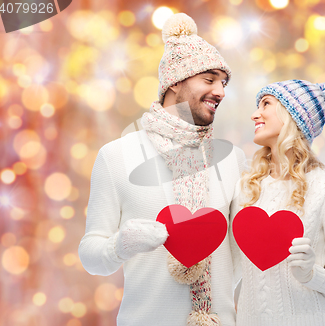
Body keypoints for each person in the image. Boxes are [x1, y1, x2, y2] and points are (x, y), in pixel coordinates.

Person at [78, 13, 245, 326]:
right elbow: (90, 256)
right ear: (175, 83)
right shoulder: (117, 155)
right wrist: (120, 245)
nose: (220, 91)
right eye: (209, 80)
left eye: (223, 83)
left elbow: (242, 258)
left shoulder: (233, 159)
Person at [231, 79, 325, 326]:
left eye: (266, 104)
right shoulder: (245, 189)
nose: (254, 114)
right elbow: (231, 271)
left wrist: (312, 275)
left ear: (292, 115)